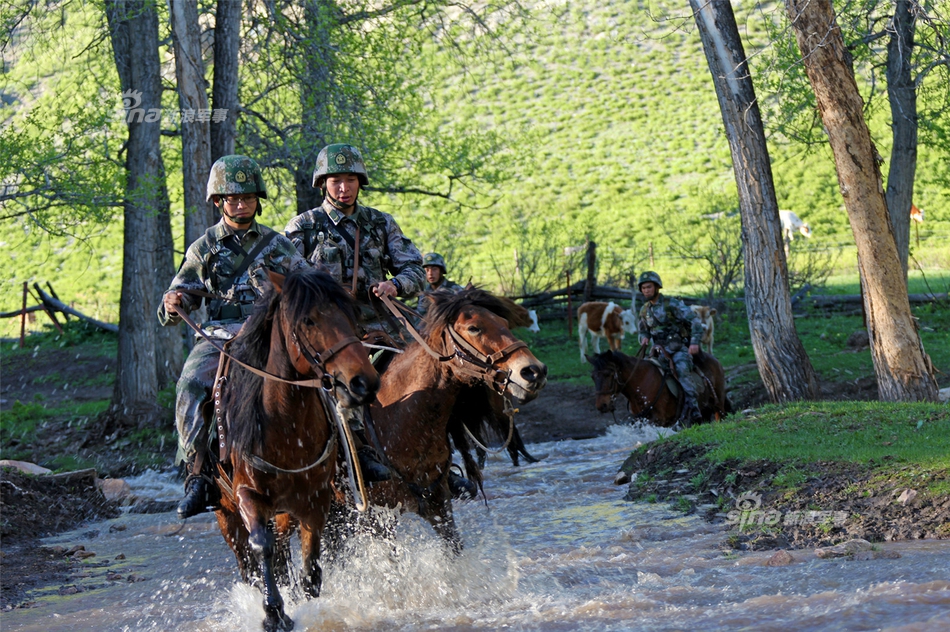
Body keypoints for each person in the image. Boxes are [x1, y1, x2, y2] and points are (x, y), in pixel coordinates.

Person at [285, 144, 473, 496]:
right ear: (323, 183)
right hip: (330, 334)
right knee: (330, 392)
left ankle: (442, 464)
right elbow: (286, 280)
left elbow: (414, 269)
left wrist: (395, 283)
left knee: (436, 380)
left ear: (360, 182)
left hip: (383, 326)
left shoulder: (380, 222)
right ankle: (338, 466)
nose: (344, 188)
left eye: (351, 180)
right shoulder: (304, 226)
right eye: (336, 180)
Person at [159, 155, 309, 520]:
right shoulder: (203, 248)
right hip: (220, 337)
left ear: (258, 199)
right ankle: (198, 476)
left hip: (270, 332)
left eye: (247, 197)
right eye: (232, 198)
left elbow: (307, 283)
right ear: (218, 202)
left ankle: (341, 460)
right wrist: (173, 301)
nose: (241, 204)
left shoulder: (278, 245)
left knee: (322, 377)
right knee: (191, 385)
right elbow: (179, 298)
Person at [636, 271, 705, 426]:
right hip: (657, 351)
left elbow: (694, 320)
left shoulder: (671, 304)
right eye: (643, 288)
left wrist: (694, 343)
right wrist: (644, 337)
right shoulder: (645, 310)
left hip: (678, 348)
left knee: (681, 372)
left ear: (656, 287)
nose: (646, 290)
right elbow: (642, 330)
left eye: (649, 287)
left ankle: (693, 412)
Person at [416, 252, 464, 317]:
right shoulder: (425, 291)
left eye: (434, 269)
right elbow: (419, 314)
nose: (430, 273)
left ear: (441, 271)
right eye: (427, 270)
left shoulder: (454, 289)